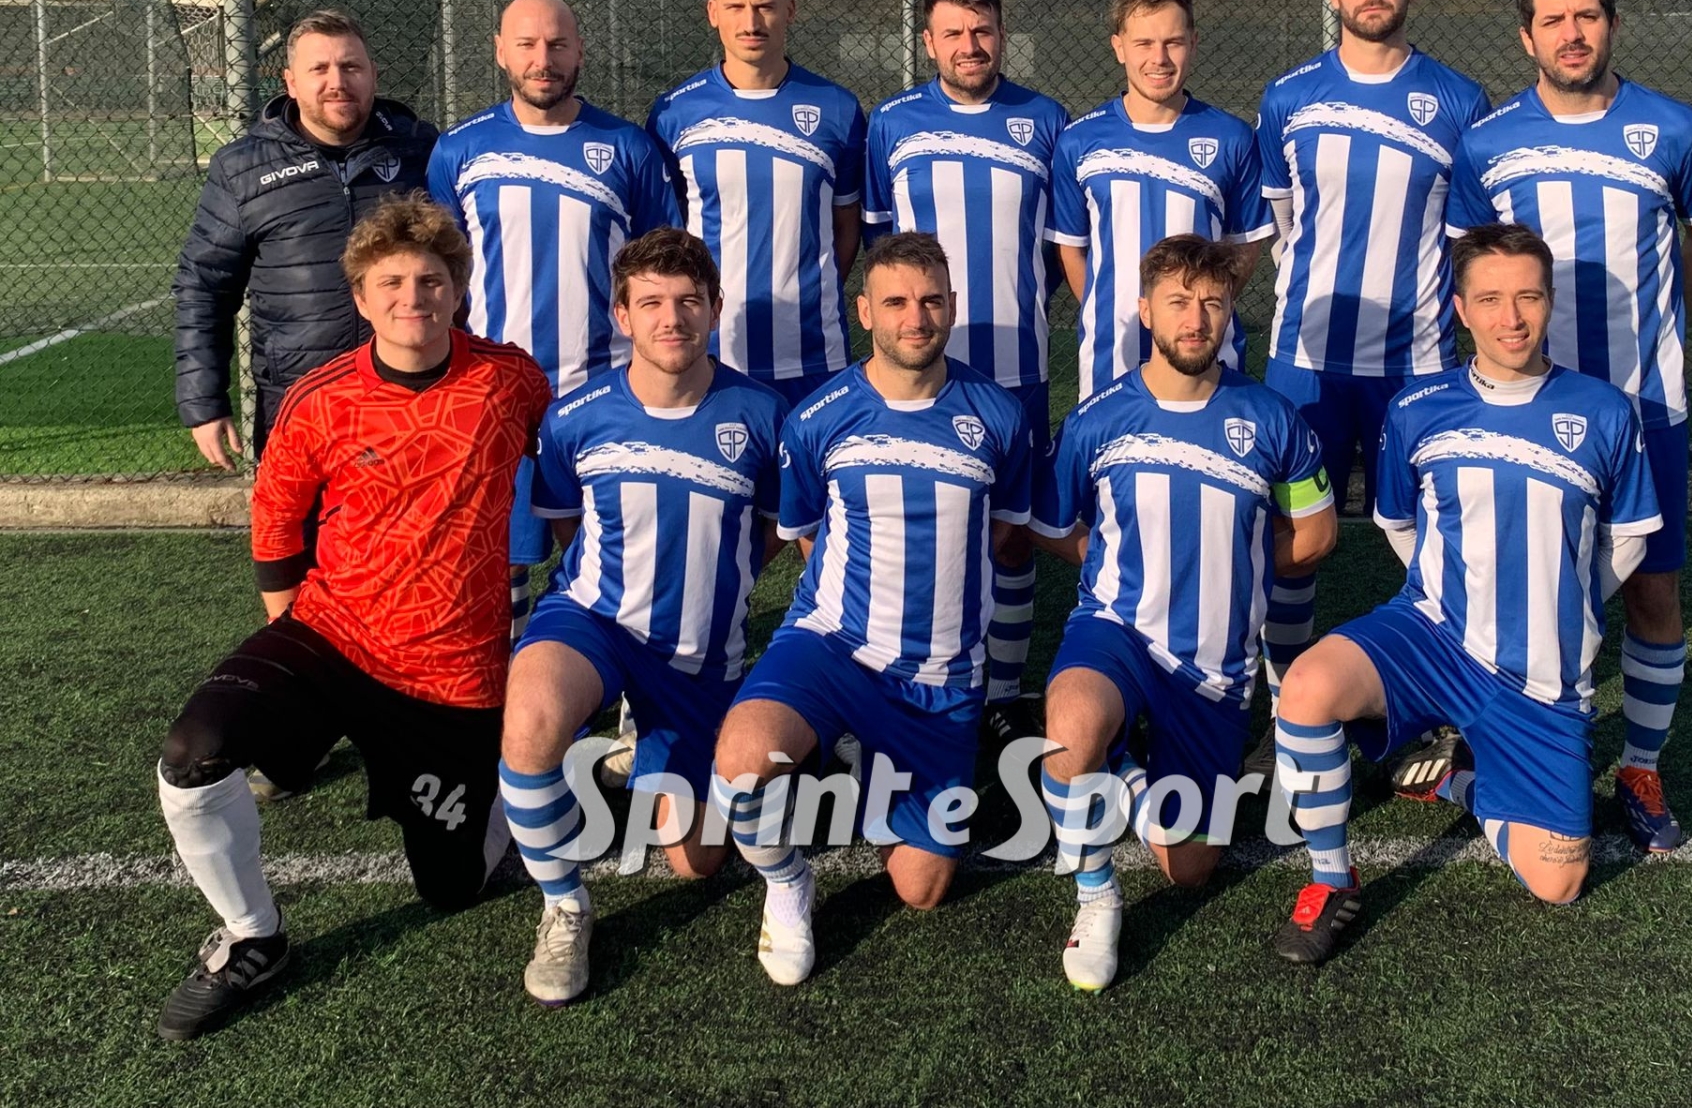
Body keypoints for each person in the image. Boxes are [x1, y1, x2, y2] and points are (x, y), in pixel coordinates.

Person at [152, 195, 550, 1039]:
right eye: (392, 282)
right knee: (191, 755)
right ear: (362, 299)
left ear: (459, 290)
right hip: (331, 637)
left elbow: (579, 462)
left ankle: (502, 799)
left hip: (453, 672)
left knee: (452, 888)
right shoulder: (319, 396)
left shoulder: (511, 379)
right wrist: (288, 635)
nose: (414, 296)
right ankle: (254, 937)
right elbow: (275, 517)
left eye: (432, 280)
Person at [1270, 223, 1660, 965]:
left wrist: (1564, 599)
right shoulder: (1418, 407)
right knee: (1308, 689)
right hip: (1434, 634)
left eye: (1527, 297)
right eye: (1490, 299)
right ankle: (1332, 876)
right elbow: (1397, 519)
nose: (1510, 317)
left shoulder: (1605, 410)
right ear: (1460, 308)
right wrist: (1455, 588)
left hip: (1539, 669)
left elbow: (1630, 538)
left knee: (1561, 879)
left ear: (1549, 303)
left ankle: (1456, 775)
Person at [1445, 0, 1692, 851]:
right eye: (1554, 19)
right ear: (1526, 35)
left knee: (1652, 588)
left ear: (1612, 22)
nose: (1573, 33)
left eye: (1589, 16)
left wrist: (1662, 315)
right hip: (1526, 416)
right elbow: (1474, 267)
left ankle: (1641, 765)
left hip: (1646, 409)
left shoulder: (1673, 127)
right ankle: (1487, 741)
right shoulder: (1488, 142)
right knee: (1499, 590)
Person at [709, 232, 1032, 986]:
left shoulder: (1001, 415)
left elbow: (1009, 535)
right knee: (741, 763)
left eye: (930, 300)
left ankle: (861, 752)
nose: (914, 317)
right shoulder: (819, 417)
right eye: (895, 301)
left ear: (952, 305)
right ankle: (789, 881)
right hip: (835, 647)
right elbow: (807, 538)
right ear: (864, 312)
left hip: (942, 677)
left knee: (921, 888)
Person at [1030, 235, 1337, 991]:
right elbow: (1055, 523)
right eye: (1178, 301)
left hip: (1217, 664)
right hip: (1120, 632)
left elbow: (1318, 532)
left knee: (1190, 867)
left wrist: (1231, 563)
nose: (1196, 318)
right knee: (1069, 728)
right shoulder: (1099, 416)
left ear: (1231, 309)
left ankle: (1125, 757)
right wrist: (1113, 566)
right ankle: (1096, 894)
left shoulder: (1271, 416)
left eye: (1212, 301)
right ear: (1145, 309)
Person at [497, 227, 786, 1006]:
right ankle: (564, 903)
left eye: (689, 301)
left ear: (715, 308)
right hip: (596, 620)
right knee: (528, 721)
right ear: (621, 314)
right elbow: (565, 524)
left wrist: (711, 592)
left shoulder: (761, 416)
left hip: (701, 656)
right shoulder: (576, 415)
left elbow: (775, 532)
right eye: (651, 302)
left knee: (694, 860)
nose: (672, 318)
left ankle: (656, 742)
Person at [1255, 0, 1491, 689]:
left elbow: (1468, 239)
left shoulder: (1460, 99)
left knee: (1430, 541)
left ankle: (1433, 701)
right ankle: (1289, 714)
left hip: (1417, 367)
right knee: (1296, 542)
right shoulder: (1287, 97)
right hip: (1305, 365)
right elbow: (1286, 223)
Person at [427, 0, 682, 640]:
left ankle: (628, 695)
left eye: (558, 44)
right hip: (498, 399)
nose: (544, 60)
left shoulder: (627, 148)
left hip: (605, 397)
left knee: (615, 561)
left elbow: (663, 271)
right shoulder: (459, 151)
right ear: (500, 51)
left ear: (580, 51)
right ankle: (511, 695)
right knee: (503, 562)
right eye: (528, 45)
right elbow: (440, 279)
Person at [864, 0, 1069, 731]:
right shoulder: (891, 124)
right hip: (923, 372)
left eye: (981, 30)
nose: (968, 45)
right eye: (952, 32)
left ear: (1002, 34)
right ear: (928, 42)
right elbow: (885, 247)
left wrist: (1015, 296)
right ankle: (910, 676)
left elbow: (1058, 248)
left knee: (1011, 535)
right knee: (920, 522)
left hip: (1016, 364)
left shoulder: (1045, 121)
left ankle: (1006, 695)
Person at [174, 8, 436, 467]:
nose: (337, 81)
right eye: (320, 69)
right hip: (298, 405)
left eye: (351, 67)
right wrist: (204, 401)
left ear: (374, 76)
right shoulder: (242, 169)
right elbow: (204, 287)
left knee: (419, 539)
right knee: (295, 539)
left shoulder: (424, 152)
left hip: (412, 400)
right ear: (290, 82)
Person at [647, 0, 867, 407]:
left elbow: (846, 229)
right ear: (713, 13)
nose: (751, 21)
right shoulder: (674, 115)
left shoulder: (838, 110)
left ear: (789, 10)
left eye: (765, 6)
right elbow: (669, 234)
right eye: (735, 7)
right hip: (709, 352)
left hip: (813, 354)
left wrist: (811, 289)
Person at [1049, 0, 1273, 401]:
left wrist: (1198, 309)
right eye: (1144, 44)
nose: (1160, 58)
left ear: (1193, 43)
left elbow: (1245, 247)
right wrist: (1117, 308)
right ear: (1119, 48)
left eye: (1173, 42)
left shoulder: (1231, 137)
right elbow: (1072, 249)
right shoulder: (1078, 141)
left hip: (1206, 355)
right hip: (1109, 358)